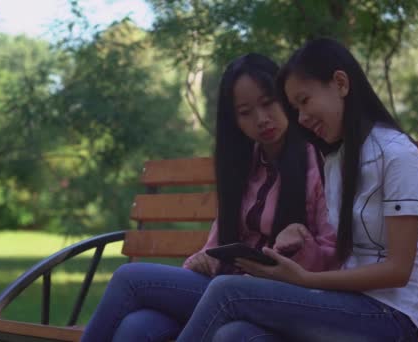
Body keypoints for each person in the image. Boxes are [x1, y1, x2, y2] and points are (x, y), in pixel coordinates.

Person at [176, 38, 418, 342]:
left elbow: (398, 271)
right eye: (295, 108)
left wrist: (307, 279)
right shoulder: (337, 160)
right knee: (236, 335)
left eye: (304, 101)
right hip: (349, 304)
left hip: (395, 320)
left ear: (340, 83)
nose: (300, 118)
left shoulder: (397, 156)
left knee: (227, 291)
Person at [80, 53, 339, 342]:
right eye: (245, 112)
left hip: (278, 297)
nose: (262, 119)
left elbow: (334, 258)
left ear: (287, 98)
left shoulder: (319, 163)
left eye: (268, 103)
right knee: (138, 326)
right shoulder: (243, 165)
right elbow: (217, 244)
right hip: (224, 288)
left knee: (129, 279)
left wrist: (301, 244)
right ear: (234, 120)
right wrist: (202, 259)